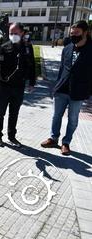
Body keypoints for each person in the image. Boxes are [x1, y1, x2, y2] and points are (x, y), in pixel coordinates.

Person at [41, 20, 92, 155]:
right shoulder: (67, 48)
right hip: (62, 88)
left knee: (73, 118)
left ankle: (66, 143)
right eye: (72, 33)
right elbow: (62, 69)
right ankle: (53, 138)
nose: (74, 35)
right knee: (56, 116)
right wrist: (56, 86)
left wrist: (89, 91)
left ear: (85, 32)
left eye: (77, 33)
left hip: (78, 91)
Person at [0, 22, 36, 148]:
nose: (13, 35)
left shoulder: (27, 48)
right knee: (0, 111)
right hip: (4, 85)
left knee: (14, 112)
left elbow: (32, 65)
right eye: (11, 33)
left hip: (19, 86)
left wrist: (32, 82)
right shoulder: (4, 47)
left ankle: (12, 136)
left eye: (15, 33)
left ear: (22, 33)